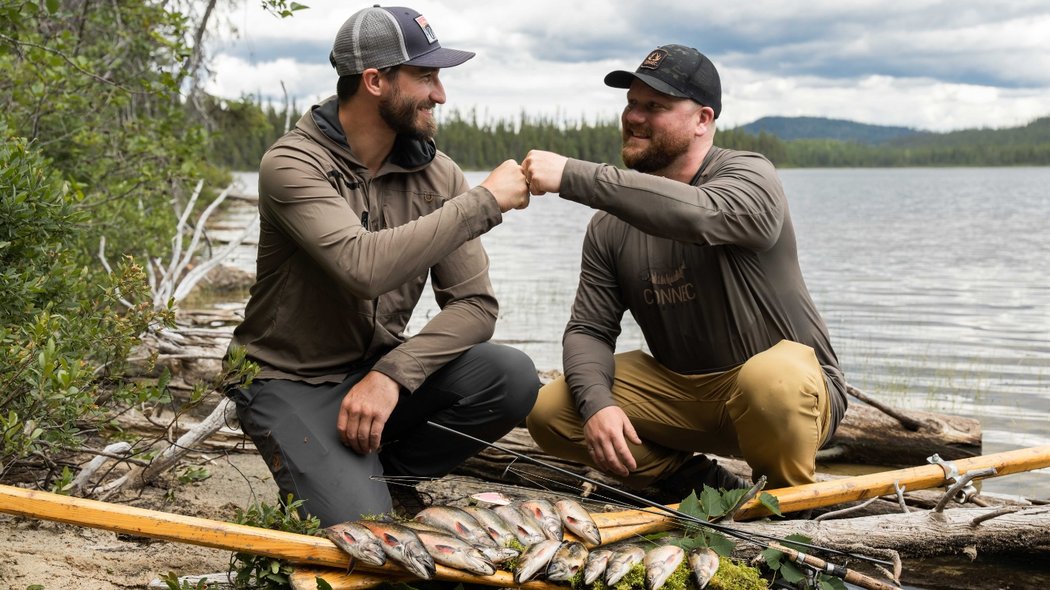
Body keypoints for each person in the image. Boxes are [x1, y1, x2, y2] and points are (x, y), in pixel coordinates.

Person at [225, 4, 540, 526]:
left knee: (511, 376)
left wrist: (394, 374)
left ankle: (383, 473)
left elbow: (476, 307)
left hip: (373, 373)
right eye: (425, 76)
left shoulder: (438, 175)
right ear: (374, 80)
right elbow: (361, 266)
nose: (439, 93)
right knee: (368, 535)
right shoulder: (292, 164)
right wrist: (484, 201)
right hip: (287, 381)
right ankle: (347, 485)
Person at [522, 44, 848, 503]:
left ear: (703, 120)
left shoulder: (750, 175)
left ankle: (789, 509)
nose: (634, 116)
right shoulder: (609, 225)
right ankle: (701, 487)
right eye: (631, 103)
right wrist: (598, 406)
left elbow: (703, 215)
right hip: (686, 396)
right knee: (552, 409)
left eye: (655, 106)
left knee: (771, 379)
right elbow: (588, 329)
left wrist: (576, 177)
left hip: (789, 395)